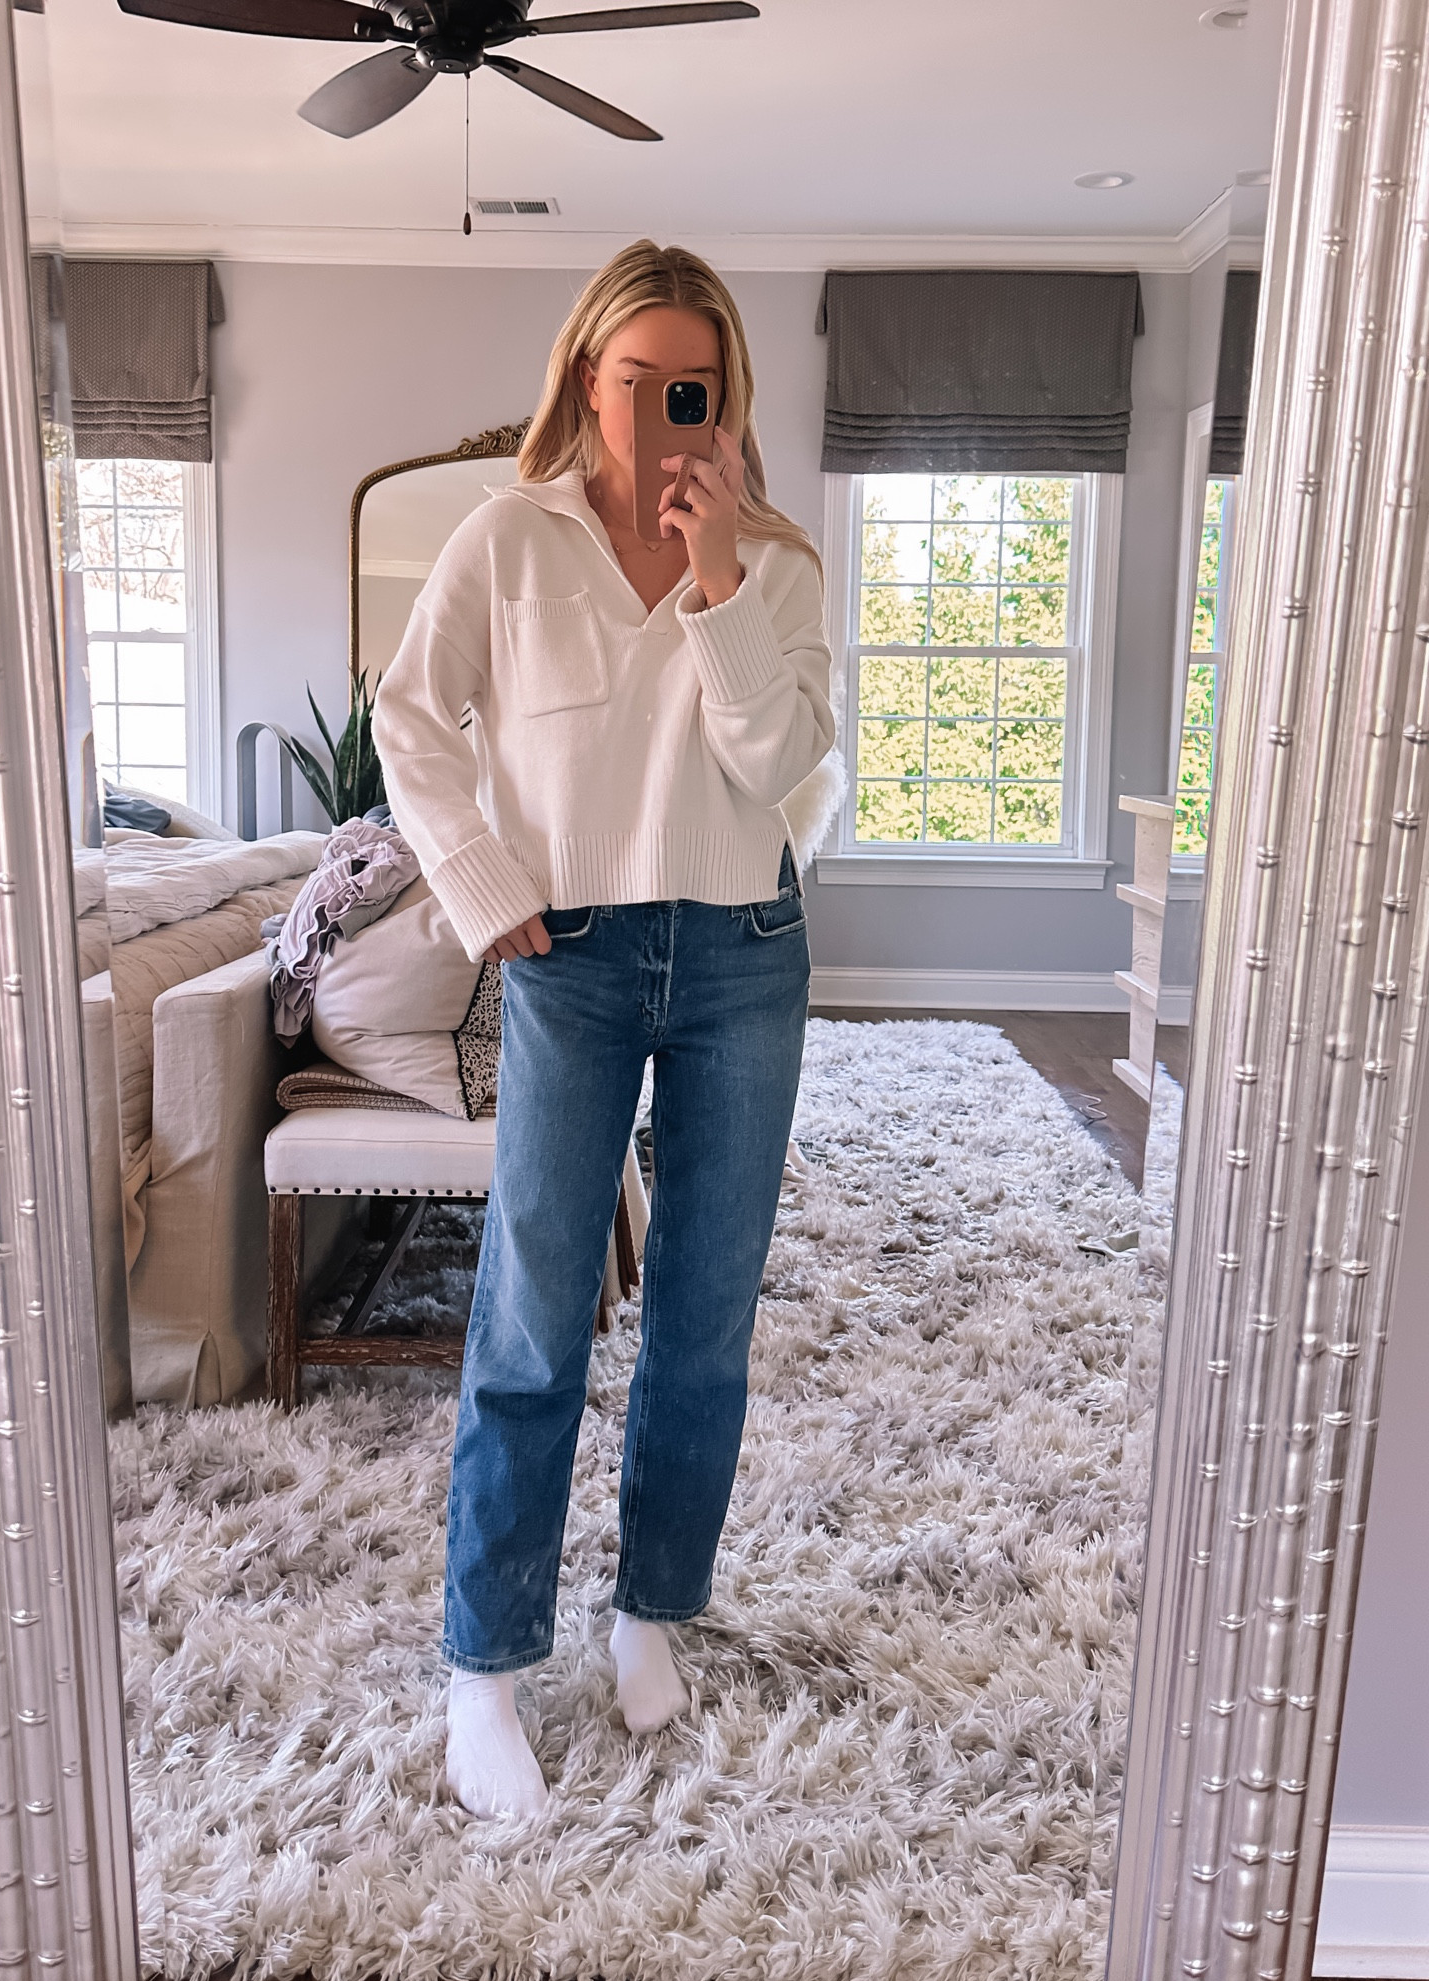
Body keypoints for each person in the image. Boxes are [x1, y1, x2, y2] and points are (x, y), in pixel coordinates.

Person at [373, 239, 835, 1819]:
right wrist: (474, 871)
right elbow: (409, 715)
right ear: (588, 377)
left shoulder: (777, 565)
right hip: (568, 954)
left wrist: (719, 584)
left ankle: (650, 1610)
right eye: (638, 381)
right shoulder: (508, 539)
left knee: (703, 1312)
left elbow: (776, 764)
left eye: (693, 387)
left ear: (729, 396)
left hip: (743, 950)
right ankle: (485, 1665)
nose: (663, 413)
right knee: (532, 1310)